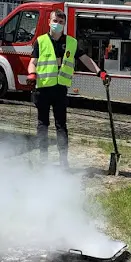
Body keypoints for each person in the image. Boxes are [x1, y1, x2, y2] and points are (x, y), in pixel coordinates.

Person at [27, 9, 108, 168]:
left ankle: (63, 160)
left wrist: (100, 72)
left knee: (61, 125)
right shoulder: (41, 41)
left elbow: (86, 59)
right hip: (43, 89)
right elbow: (33, 62)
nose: (57, 24)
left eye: (61, 22)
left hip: (60, 90)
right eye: (55, 21)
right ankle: (43, 158)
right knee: (42, 124)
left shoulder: (71, 42)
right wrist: (31, 74)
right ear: (49, 22)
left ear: (64, 25)